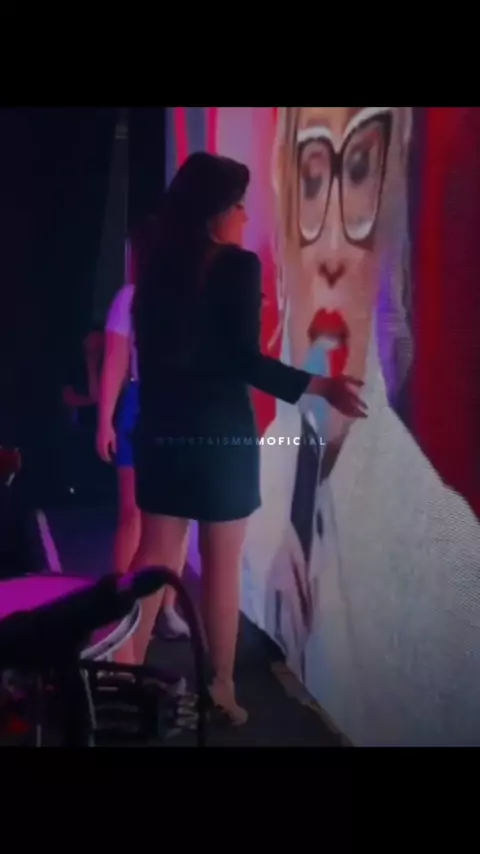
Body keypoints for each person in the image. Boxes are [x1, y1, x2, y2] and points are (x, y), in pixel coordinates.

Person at [243, 107, 480, 746]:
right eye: (312, 181)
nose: (331, 255)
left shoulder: (450, 555)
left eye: (359, 174)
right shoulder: (259, 486)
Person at [128, 151, 367, 725]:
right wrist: (321, 385)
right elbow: (243, 359)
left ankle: (119, 672)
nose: (245, 216)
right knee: (221, 565)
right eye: (238, 205)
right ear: (215, 211)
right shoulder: (236, 266)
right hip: (219, 440)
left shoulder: (156, 270)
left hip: (161, 434)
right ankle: (221, 688)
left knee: (152, 560)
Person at [96, 237, 190, 639]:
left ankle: (164, 607)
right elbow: (115, 361)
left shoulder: (193, 293)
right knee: (133, 511)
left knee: (177, 516)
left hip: (183, 408)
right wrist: (104, 420)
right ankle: (120, 607)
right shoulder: (131, 298)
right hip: (141, 403)